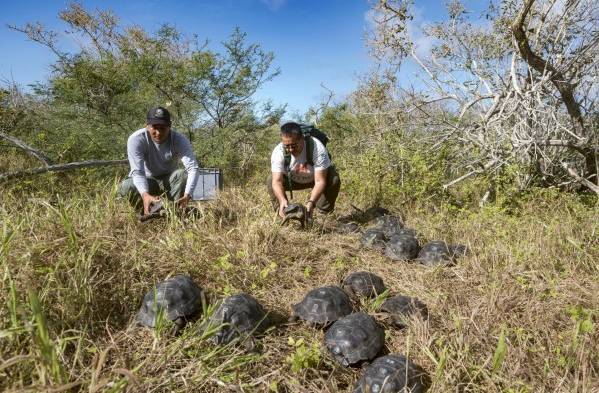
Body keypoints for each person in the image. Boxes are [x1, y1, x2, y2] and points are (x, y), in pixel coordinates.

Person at [117, 106, 199, 215]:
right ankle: (144, 210)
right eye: (154, 127)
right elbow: (137, 172)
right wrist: (145, 195)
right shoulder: (136, 139)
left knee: (182, 174)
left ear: (169, 126)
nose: (158, 132)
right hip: (147, 180)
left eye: (163, 128)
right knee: (126, 185)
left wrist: (187, 195)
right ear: (147, 126)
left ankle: (173, 211)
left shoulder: (179, 139)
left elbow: (193, 168)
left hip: (169, 181)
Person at [267, 121, 341, 219]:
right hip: (291, 180)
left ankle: (323, 215)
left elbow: (320, 181)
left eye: (293, 145)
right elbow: (277, 181)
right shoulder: (278, 151)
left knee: (333, 178)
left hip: (314, 180)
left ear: (302, 139)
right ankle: (283, 213)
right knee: (271, 180)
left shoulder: (317, 148)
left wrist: (311, 202)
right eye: (287, 146)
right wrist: (282, 200)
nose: (290, 150)